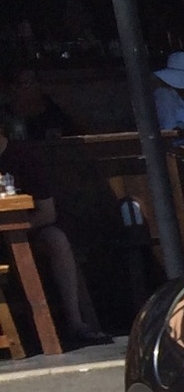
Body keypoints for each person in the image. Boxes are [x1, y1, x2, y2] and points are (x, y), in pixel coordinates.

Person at [0, 133, 107, 346]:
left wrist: (17, 228)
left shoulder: (21, 155)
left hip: (28, 230)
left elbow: (47, 213)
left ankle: (76, 322)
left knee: (56, 239)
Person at [7, 68, 78, 141]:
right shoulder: (5, 116)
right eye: (27, 83)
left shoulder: (54, 113)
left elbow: (72, 135)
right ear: (14, 88)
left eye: (36, 81)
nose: (35, 86)